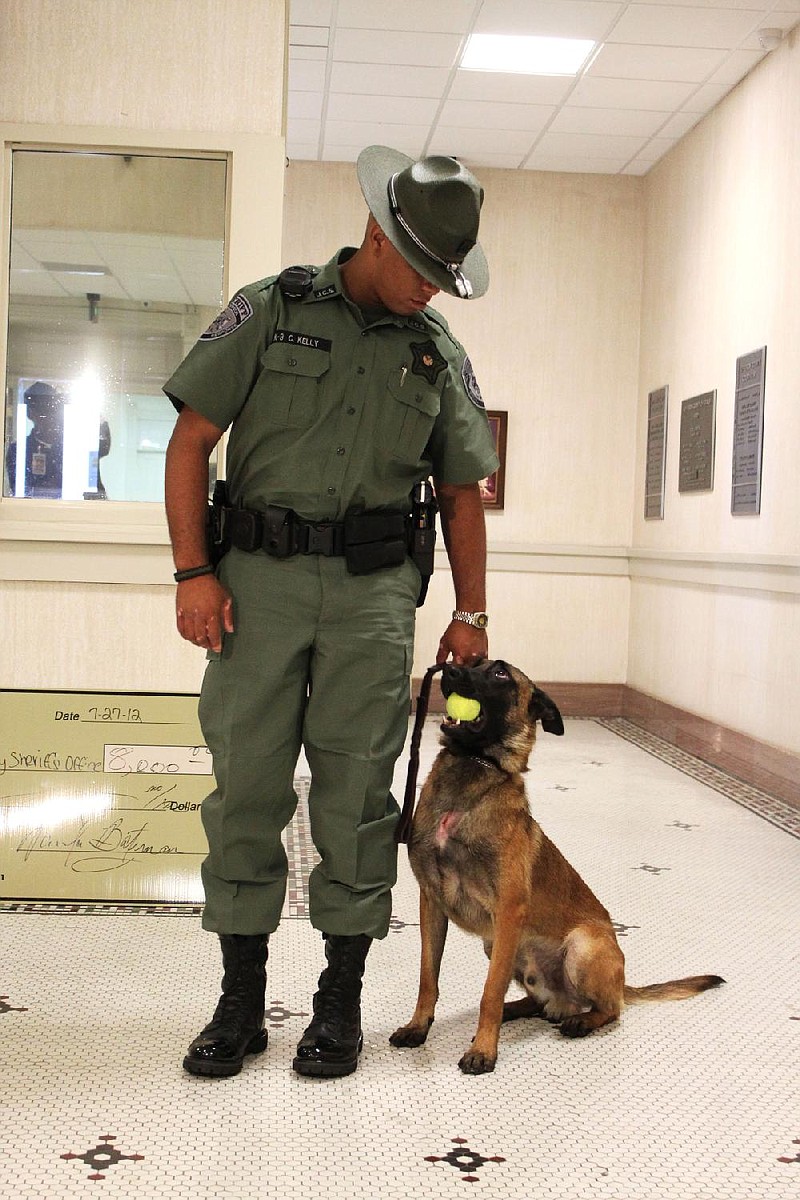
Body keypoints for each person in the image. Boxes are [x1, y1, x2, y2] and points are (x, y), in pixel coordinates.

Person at [163, 145, 499, 1080]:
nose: (432, 291)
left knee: (358, 800)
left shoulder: (438, 354)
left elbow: (465, 490)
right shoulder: (271, 310)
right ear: (376, 234)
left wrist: (473, 613)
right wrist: (194, 571)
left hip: (372, 597)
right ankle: (239, 1003)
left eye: (445, 278)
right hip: (255, 590)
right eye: (422, 269)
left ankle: (339, 1003)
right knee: (248, 791)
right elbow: (192, 438)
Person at [5, 380, 111, 499]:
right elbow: (20, 494)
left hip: (78, 513)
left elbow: (103, 445)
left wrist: (93, 409)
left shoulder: (77, 445)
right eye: (42, 410)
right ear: (31, 414)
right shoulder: (19, 450)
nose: (50, 417)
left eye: (53, 410)